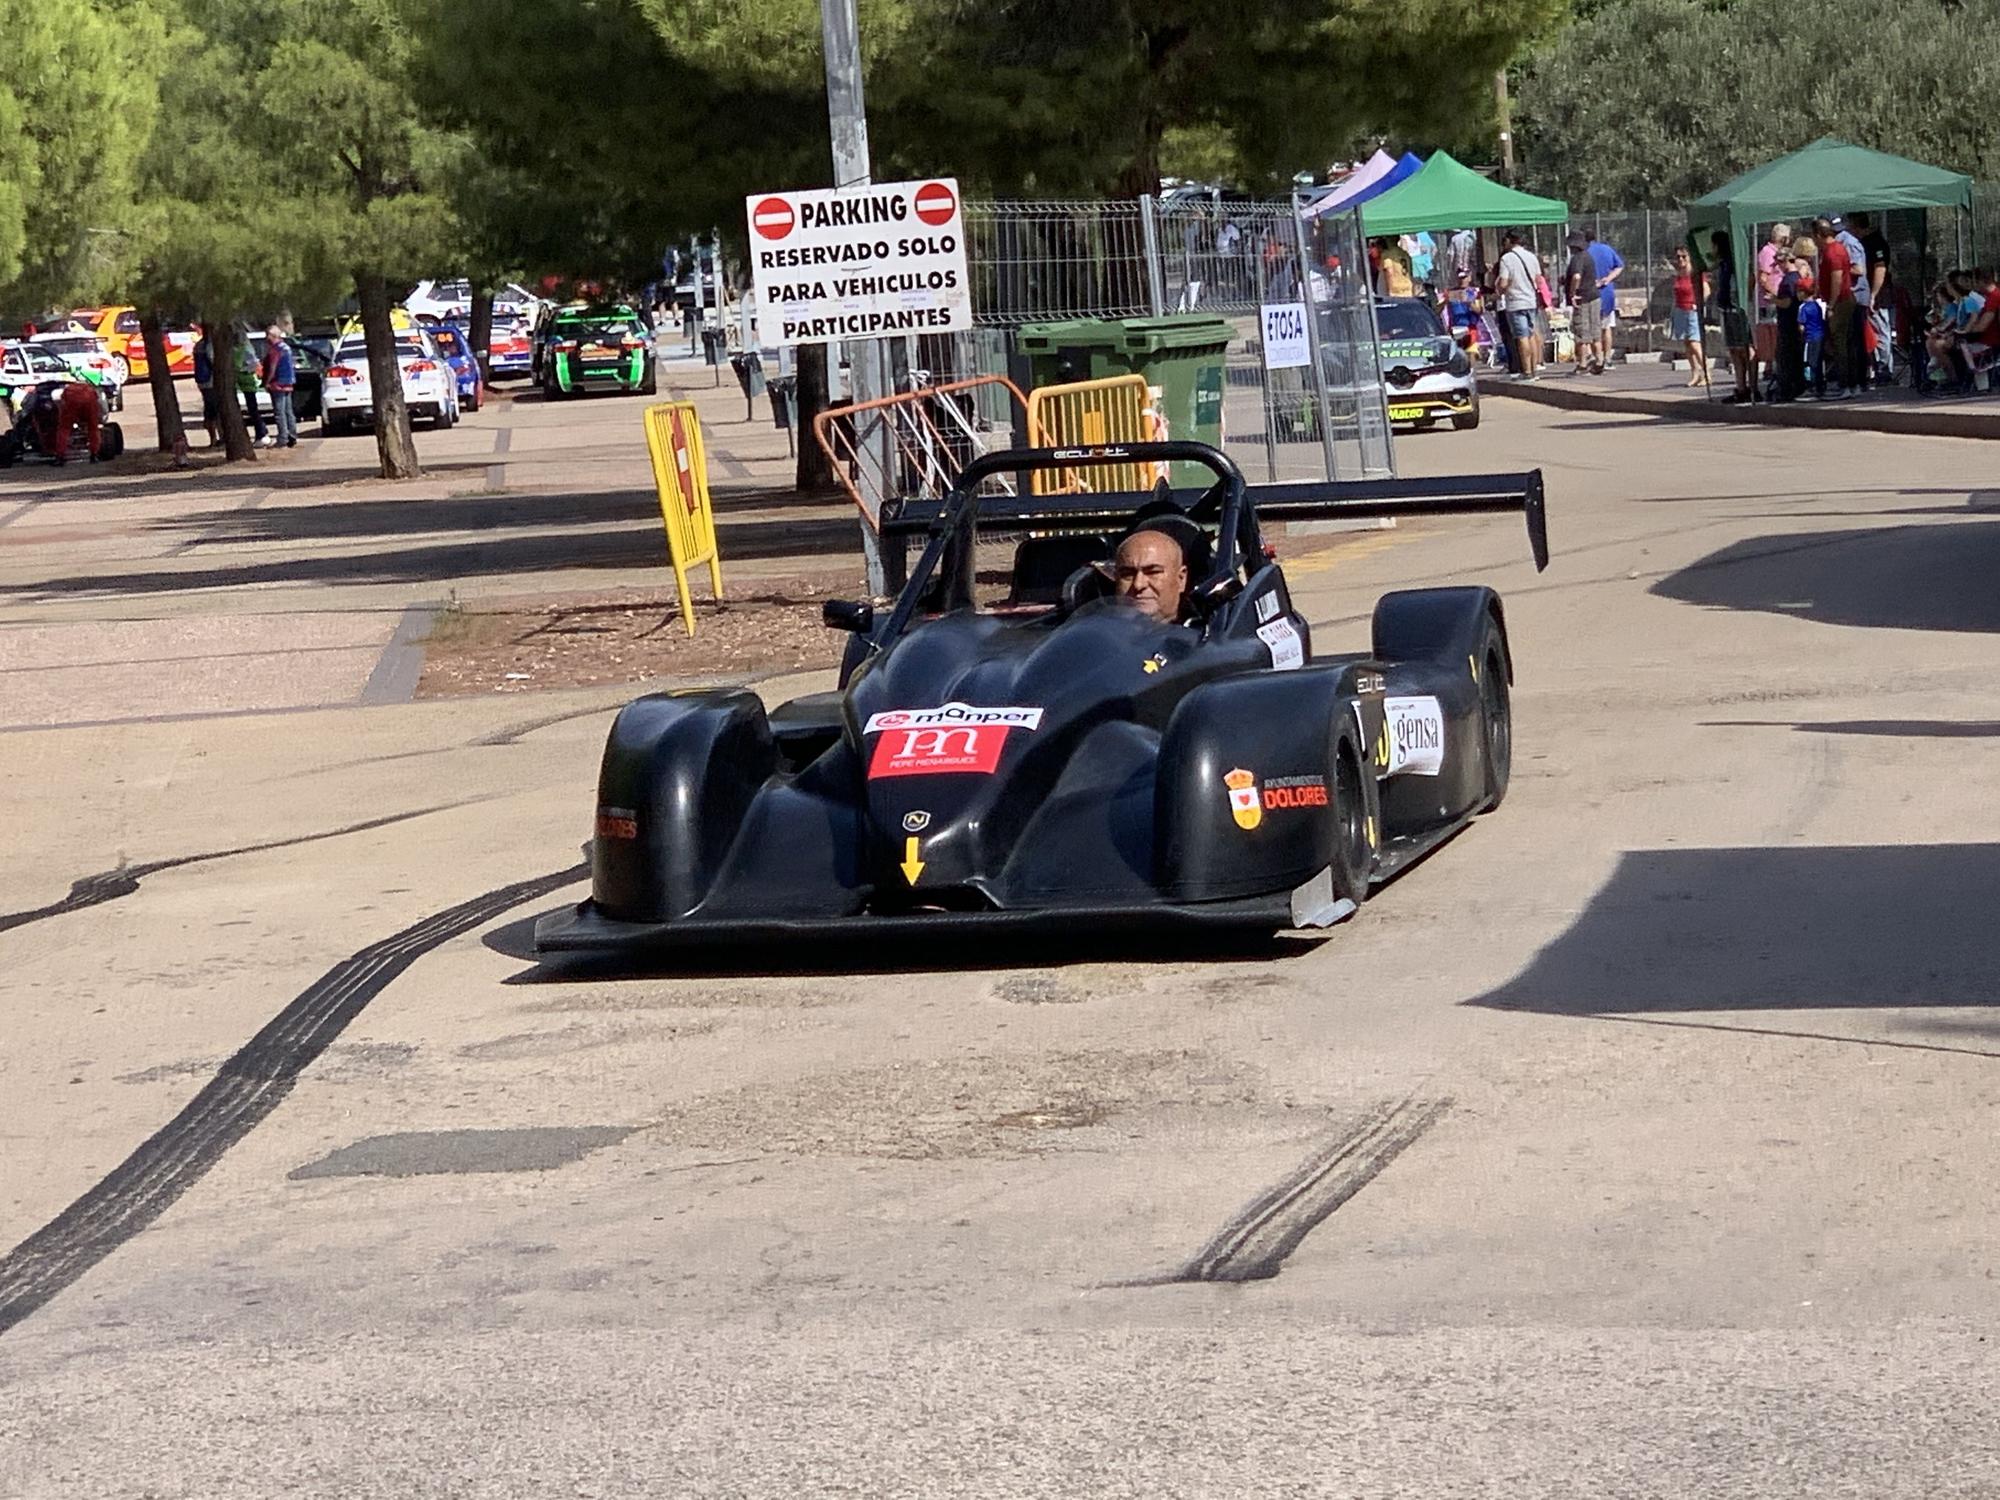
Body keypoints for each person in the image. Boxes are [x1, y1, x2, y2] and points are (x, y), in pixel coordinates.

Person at [1812, 215, 1859, 397]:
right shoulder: (1834, 250)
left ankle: (1846, 385)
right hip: (1840, 301)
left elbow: (1837, 279)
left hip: (1841, 302)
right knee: (1843, 344)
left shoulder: (1834, 252)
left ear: (1818, 235)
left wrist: (1831, 305)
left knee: (1841, 345)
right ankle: (1850, 384)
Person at [1494, 228, 1545, 380]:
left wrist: (1499, 290)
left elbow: (1503, 282)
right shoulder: (1531, 256)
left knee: (1522, 337)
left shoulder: (1507, 259)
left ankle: (1526, 371)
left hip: (1516, 302)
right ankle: (1534, 369)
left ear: (1510, 240)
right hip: (1531, 301)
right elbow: (1539, 279)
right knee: (1531, 335)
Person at [1850, 212, 1894, 384]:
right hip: (1864, 294)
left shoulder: (1876, 242)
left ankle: (1885, 369)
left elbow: (1880, 268)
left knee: (1881, 330)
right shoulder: (1860, 243)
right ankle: (1874, 368)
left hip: (1878, 295)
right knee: (1870, 332)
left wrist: (1874, 294)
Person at [1709, 231, 1753, 402]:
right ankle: (1741, 387)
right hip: (1726, 308)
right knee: (1734, 348)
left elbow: (1748, 280)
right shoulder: (1722, 264)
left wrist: (1743, 299)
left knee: (1744, 347)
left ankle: (1752, 386)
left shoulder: (1735, 262)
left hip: (1737, 308)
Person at [1110, 528, 1188, 623]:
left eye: (1153, 572)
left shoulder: (1204, 634)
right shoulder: (1094, 633)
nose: (1138, 584)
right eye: (1128, 574)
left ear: (1181, 579)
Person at [1562, 232, 1602, 375]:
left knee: (1582, 331)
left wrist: (1573, 293)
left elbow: (1577, 276)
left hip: (1582, 298)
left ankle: (1583, 364)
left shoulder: (1577, 259)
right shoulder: (1588, 257)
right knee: (1595, 330)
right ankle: (1599, 361)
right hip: (1594, 296)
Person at [1669, 244, 1708, 388]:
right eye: (1678, 257)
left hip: (1692, 310)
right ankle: (1695, 374)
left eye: (1684, 256)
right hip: (1680, 310)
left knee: (1694, 343)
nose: (1680, 259)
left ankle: (1707, 373)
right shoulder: (1679, 274)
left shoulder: (1695, 273)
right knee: (1687, 344)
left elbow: (1706, 290)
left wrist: (1698, 304)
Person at [1586, 229, 1623, 371]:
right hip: (1607, 293)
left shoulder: (1584, 253)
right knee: (1606, 327)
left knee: (1590, 329)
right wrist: (1609, 278)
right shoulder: (1607, 249)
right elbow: (1619, 266)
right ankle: (1607, 358)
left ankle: (1596, 357)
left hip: (1590, 294)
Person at [261, 325, 298, 449]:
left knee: (279, 413)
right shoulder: (286, 348)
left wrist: (267, 381)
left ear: (273, 336)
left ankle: (282, 438)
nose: (266, 338)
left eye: (268, 335)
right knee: (288, 411)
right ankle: (292, 435)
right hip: (288, 383)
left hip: (278, 384)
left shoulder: (275, 350)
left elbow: (272, 367)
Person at [52, 379, 102, 463]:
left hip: (71, 404)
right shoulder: (90, 390)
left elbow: (61, 401)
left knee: (64, 429)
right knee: (93, 429)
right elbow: (98, 403)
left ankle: (60, 457)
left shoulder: (68, 389)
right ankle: (94, 455)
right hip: (89, 403)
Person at [236, 337, 268, 443]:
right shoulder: (240, 349)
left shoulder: (244, 349)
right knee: (251, 410)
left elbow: (253, 364)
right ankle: (261, 431)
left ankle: (261, 433)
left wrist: (243, 370)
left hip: (247, 382)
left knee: (253, 409)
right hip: (242, 383)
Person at [193, 326, 220, 446]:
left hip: (202, 381)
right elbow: (213, 361)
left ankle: (213, 438)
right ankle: (215, 438)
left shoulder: (198, 345)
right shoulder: (209, 345)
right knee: (213, 411)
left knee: (208, 409)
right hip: (211, 380)